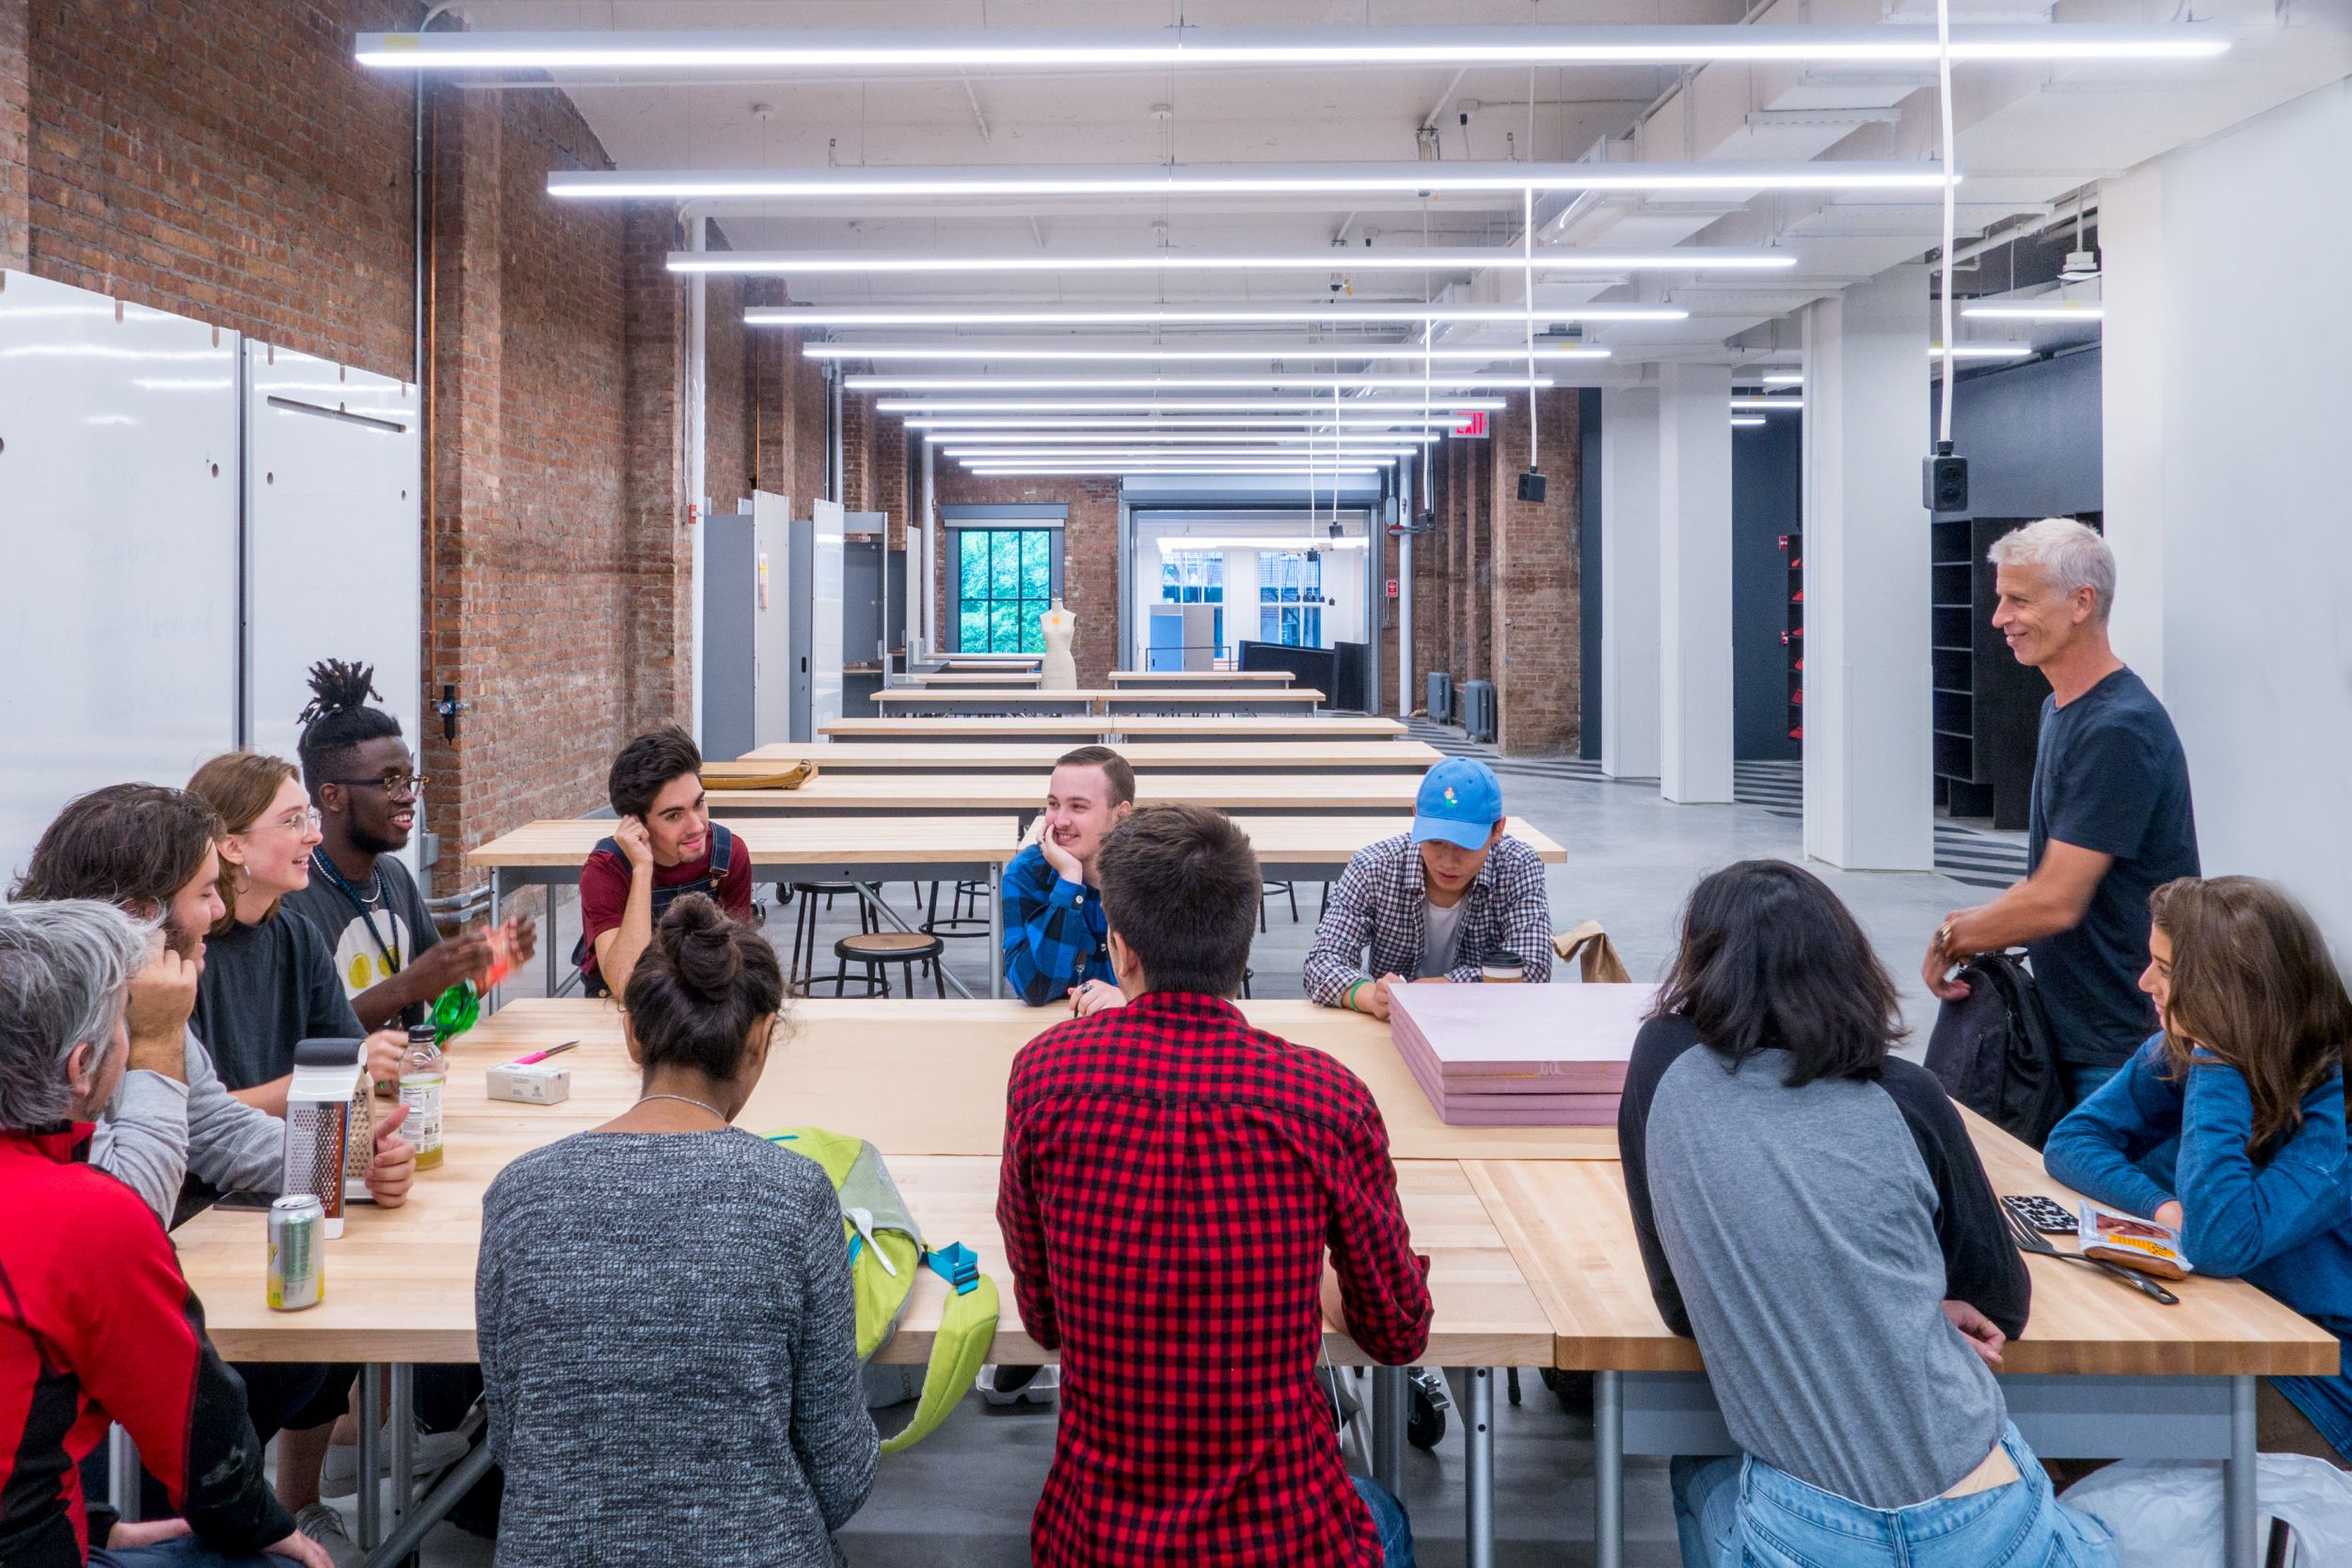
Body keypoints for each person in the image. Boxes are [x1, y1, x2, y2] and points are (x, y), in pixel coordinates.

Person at [1620, 860, 2115, 1568]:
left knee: (1700, 1464)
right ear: (1850, 965)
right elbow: (2000, 1303)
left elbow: (1681, 1306)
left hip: (1805, 1533)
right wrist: (1892, 1303)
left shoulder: (1665, 1064)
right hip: (1987, 1513)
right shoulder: (1909, 1095)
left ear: (1702, 965)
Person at [998, 804, 1432, 1567]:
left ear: (1119, 949)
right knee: (1384, 1512)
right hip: (1286, 1539)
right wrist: (1326, 1279)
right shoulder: (1324, 1098)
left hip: (1096, 1540)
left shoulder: (1045, 1076)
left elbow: (1045, 1322)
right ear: (1244, 946)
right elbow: (1398, 1331)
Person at [477, 895, 876, 1567]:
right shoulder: (795, 1195)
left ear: (632, 1032)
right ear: (760, 1036)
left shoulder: (518, 1194)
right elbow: (841, 1472)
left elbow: (514, 1440)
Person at [0, 898, 332, 1568]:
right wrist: (264, 1528)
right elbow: (198, 1437)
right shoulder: (83, 1215)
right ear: (81, 1064)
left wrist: (92, 1519)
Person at [2044, 876, 2352, 1469]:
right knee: (2034, 1411)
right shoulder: (2193, 1044)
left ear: (2227, 994)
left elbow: (2220, 1240)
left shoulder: (2334, 1111)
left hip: (2316, 1385)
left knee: (2054, 1429)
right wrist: (2165, 1209)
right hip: (2228, 1325)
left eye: (2164, 967)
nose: (2144, 983)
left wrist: (2216, 1055)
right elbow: (2074, 1139)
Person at [1924, 518, 2200, 1103]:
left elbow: (2056, 901)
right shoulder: (2061, 708)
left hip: (2120, 1041)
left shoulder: (2118, 727)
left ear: (2082, 602)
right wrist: (1977, 920)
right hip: (2074, 1029)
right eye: (2001, 599)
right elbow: (2050, 876)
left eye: (2018, 600)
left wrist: (1955, 936)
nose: (2000, 618)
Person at [279, 659, 533, 1033]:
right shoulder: (293, 898)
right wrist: (409, 985)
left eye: (409, 779)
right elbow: (303, 1034)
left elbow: (442, 994)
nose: (408, 796)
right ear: (332, 797)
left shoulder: (393, 876)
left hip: (408, 1085)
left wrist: (485, 967)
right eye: (388, 782)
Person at [182, 753, 405, 1113]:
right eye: (292, 822)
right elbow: (191, 1116)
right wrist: (344, 1072)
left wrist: (397, 1068)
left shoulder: (298, 936)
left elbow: (353, 1063)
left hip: (295, 1158)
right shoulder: (185, 955)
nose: (315, 836)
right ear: (232, 846)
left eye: (310, 817)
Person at [1303, 756, 1552, 1017]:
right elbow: (1322, 962)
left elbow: (1533, 968)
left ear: (1497, 829)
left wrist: (1442, 988)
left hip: (1486, 1024)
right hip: (1392, 1028)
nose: (1447, 862)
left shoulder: (1517, 866)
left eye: (1466, 845)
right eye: (1434, 842)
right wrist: (1369, 996)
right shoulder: (1373, 867)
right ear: (1415, 818)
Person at [576, 724, 754, 999]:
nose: (696, 826)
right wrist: (642, 869)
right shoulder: (606, 870)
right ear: (636, 822)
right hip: (620, 1011)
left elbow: (737, 966)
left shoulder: (729, 855)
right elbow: (626, 985)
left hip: (705, 997)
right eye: (674, 816)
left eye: (699, 804)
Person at [999, 744, 1136, 1013]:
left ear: (1121, 814)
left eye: (1077, 807)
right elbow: (1035, 987)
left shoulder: (1157, 870)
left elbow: (1193, 982)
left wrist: (1130, 999)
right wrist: (1069, 884)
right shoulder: (1026, 873)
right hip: (1055, 1036)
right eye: (1053, 804)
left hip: (1141, 1036)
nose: (1060, 820)